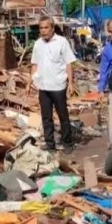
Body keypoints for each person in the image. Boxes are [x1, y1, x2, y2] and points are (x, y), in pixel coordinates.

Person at [26, 16, 77, 153]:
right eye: (41, 28)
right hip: (43, 86)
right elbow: (34, 65)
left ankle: (67, 143)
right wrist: (29, 83)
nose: (43, 31)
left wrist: (70, 83)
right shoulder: (38, 44)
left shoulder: (62, 42)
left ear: (52, 28)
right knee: (46, 117)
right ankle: (50, 144)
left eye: (46, 27)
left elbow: (68, 63)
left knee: (63, 116)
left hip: (58, 86)